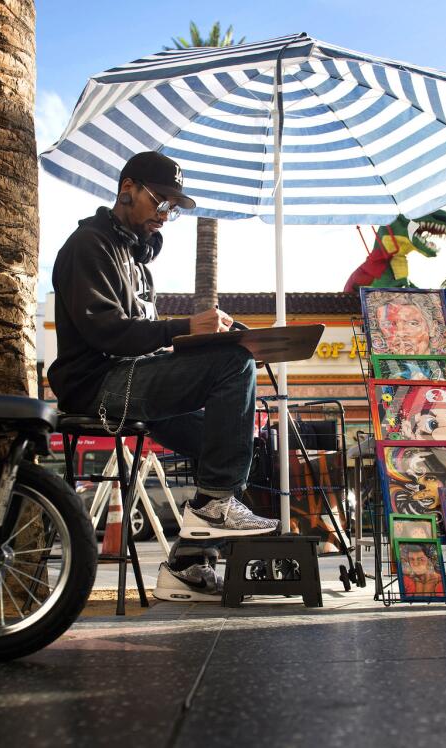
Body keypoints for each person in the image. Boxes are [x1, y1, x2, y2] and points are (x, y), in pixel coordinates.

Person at [48, 151, 279, 600]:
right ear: (126, 189)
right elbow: (108, 332)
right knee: (234, 366)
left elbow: (146, 340)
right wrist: (184, 328)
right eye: (160, 201)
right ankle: (213, 505)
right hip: (97, 387)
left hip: (130, 380)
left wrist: (209, 338)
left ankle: (187, 567)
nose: (165, 215)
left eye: (173, 208)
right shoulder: (88, 245)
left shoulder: (136, 260)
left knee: (231, 436)